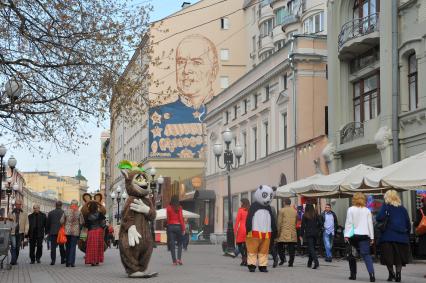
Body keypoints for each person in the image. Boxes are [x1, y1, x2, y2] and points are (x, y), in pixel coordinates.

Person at [176, 34, 219, 109]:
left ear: (214, 72)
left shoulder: (224, 108)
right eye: (181, 62)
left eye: (196, 62)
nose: (186, 70)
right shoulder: (159, 114)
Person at [376, 190, 411, 282]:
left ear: (386, 197)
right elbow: (408, 223)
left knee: (388, 257)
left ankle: (391, 274)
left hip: (388, 236)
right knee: (398, 258)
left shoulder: (386, 207)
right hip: (401, 237)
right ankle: (398, 275)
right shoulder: (403, 209)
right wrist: (407, 234)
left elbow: (378, 217)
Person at [344, 192, 375, 282]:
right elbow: (370, 225)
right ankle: (371, 275)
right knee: (366, 255)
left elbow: (349, 223)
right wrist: (372, 237)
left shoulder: (350, 209)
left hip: (353, 235)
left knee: (352, 255)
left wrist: (346, 235)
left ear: (354, 199)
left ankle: (353, 275)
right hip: (364, 235)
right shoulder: (367, 210)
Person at [61, 199, 84, 267]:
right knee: (73, 247)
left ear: (71, 204)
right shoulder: (79, 212)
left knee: (67, 246)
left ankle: (67, 262)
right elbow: (82, 222)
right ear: (77, 205)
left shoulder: (66, 212)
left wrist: (66, 224)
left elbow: (61, 221)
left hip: (67, 231)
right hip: (75, 232)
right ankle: (72, 262)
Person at [277, 198, 297, 267]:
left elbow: (279, 223)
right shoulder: (294, 211)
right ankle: (291, 262)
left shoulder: (281, 210)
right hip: (292, 231)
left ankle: (282, 259)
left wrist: (278, 232)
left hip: (284, 231)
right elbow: (296, 222)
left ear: (284, 202)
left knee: (279, 245)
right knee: (291, 247)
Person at [84, 201, 106, 266]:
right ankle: (97, 260)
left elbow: (86, 225)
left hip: (91, 231)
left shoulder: (88, 215)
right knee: (98, 246)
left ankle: (92, 261)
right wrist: (103, 227)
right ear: (96, 207)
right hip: (99, 231)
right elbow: (103, 223)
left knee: (91, 246)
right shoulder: (100, 214)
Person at [300, 203, 321, 269]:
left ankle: (316, 262)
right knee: (312, 248)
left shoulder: (305, 215)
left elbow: (302, 226)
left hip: (309, 233)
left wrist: (301, 235)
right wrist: (317, 228)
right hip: (315, 233)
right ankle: (309, 262)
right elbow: (320, 223)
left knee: (311, 248)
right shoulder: (316, 214)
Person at [166, 195, 185, 265]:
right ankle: (179, 259)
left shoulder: (168, 208)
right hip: (178, 226)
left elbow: (167, 219)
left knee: (172, 244)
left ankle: (174, 261)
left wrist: (168, 225)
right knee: (180, 243)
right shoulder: (179, 208)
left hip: (171, 226)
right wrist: (183, 228)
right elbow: (181, 218)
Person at [46, 201, 66, 265]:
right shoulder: (64, 213)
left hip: (53, 232)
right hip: (61, 232)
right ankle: (63, 260)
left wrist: (47, 232)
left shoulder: (51, 213)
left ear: (55, 205)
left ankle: (53, 261)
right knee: (62, 246)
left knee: (53, 247)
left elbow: (48, 223)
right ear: (61, 205)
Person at [9, 200, 27, 265]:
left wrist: (26, 231)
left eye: (19, 204)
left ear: (21, 205)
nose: (18, 205)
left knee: (17, 247)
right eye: (17, 204)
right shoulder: (10, 212)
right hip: (12, 232)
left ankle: (15, 259)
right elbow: (8, 222)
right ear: (15, 205)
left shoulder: (24, 213)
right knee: (13, 246)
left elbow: (26, 223)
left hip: (20, 232)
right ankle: (13, 260)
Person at [234, 198, 250, 266]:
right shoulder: (249, 210)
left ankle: (243, 257)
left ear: (243, 203)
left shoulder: (240, 210)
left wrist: (234, 231)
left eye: (241, 202)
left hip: (241, 229)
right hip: (248, 229)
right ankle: (246, 259)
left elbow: (237, 221)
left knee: (239, 244)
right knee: (246, 245)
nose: (241, 203)